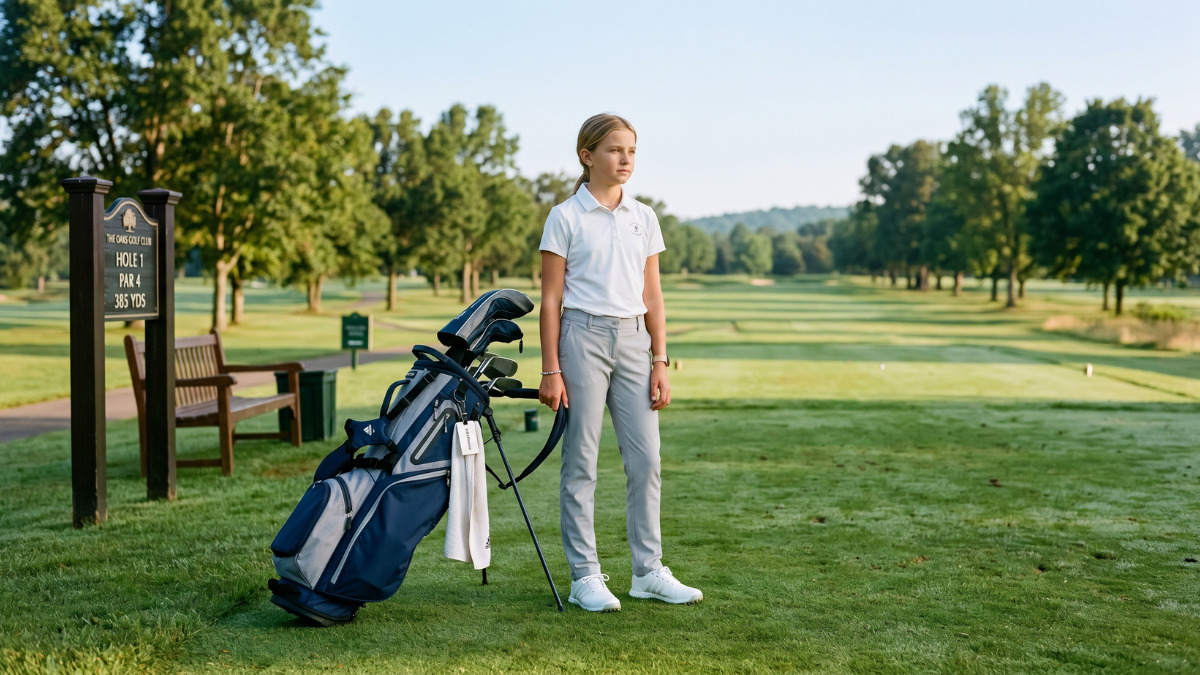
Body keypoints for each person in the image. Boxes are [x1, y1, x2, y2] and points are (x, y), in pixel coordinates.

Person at [538, 113, 702, 612]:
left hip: (635, 341)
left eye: (631, 150)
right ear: (588, 156)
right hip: (581, 337)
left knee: (647, 460)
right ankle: (584, 576)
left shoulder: (644, 216)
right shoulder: (564, 217)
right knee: (581, 464)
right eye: (614, 150)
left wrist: (660, 358)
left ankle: (647, 572)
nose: (625, 159)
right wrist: (550, 369)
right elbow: (550, 299)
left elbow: (653, 294)